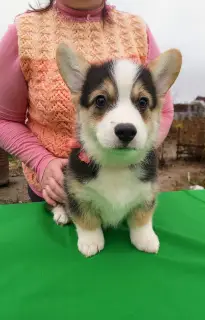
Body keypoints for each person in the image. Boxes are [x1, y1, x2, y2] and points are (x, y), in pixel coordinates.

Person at [0, 0, 174, 206]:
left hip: (126, 186)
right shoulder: (24, 33)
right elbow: (4, 119)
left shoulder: (136, 29)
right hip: (57, 191)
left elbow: (162, 111)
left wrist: (134, 155)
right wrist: (42, 162)